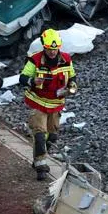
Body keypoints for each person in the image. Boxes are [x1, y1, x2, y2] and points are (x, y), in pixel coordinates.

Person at [19, 28, 77, 180]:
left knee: (52, 136)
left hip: (56, 104)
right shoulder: (35, 60)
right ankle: (41, 166)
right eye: (49, 49)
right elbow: (23, 78)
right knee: (39, 134)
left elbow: (72, 77)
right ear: (44, 46)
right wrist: (32, 81)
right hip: (38, 103)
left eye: (55, 49)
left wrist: (72, 86)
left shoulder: (66, 59)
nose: (52, 52)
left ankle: (40, 157)